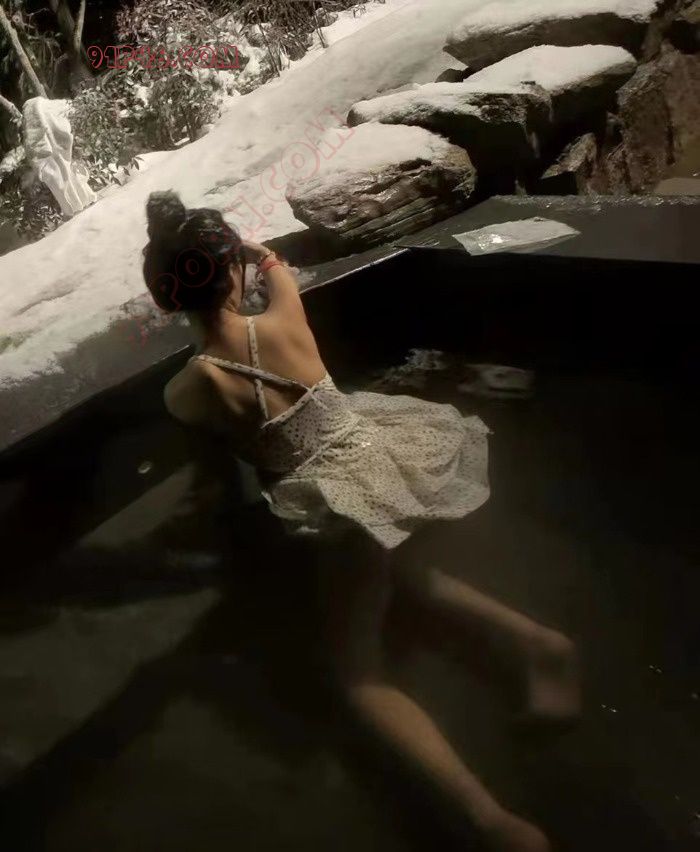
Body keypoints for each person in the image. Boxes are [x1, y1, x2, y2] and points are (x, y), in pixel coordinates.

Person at [142, 190, 580, 852]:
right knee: (407, 573)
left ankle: (493, 823)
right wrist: (247, 252)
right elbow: (274, 264)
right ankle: (542, 646)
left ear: (165, 298)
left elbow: (215, 458)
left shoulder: (188, 390)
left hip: (339, 506)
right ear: (234, 269)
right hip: (385, 458)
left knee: (359, 679)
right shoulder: (284, 314)